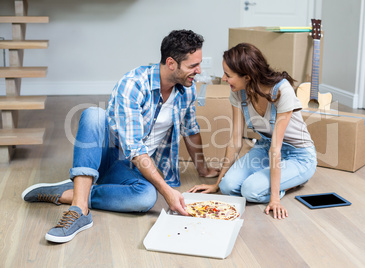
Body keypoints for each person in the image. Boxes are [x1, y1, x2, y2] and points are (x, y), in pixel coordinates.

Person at [22, 29, 219, 243]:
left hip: (133, 168)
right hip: (108, 157)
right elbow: (134, 148)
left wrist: (203, 168)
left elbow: (190, 129)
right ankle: (80, 210)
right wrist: (167, 191)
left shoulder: (187, 89)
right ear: (171, 63)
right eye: (193, 66)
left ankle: (71, 192)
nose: (199, 70)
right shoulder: (134, 84)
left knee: (145, 198)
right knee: (94, 115)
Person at [188, 43, 317, 219]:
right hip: (265, 149)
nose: (224, 79)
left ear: (247, 76)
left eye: (228, 75)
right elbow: (235, 141)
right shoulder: (238, 92)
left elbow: (276, 149)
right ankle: (275, 180)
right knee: (228, 187)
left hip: (298, 156)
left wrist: (274, 199)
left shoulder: (282, 91)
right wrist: (217, 185)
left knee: (250, 190)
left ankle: (289, 183)